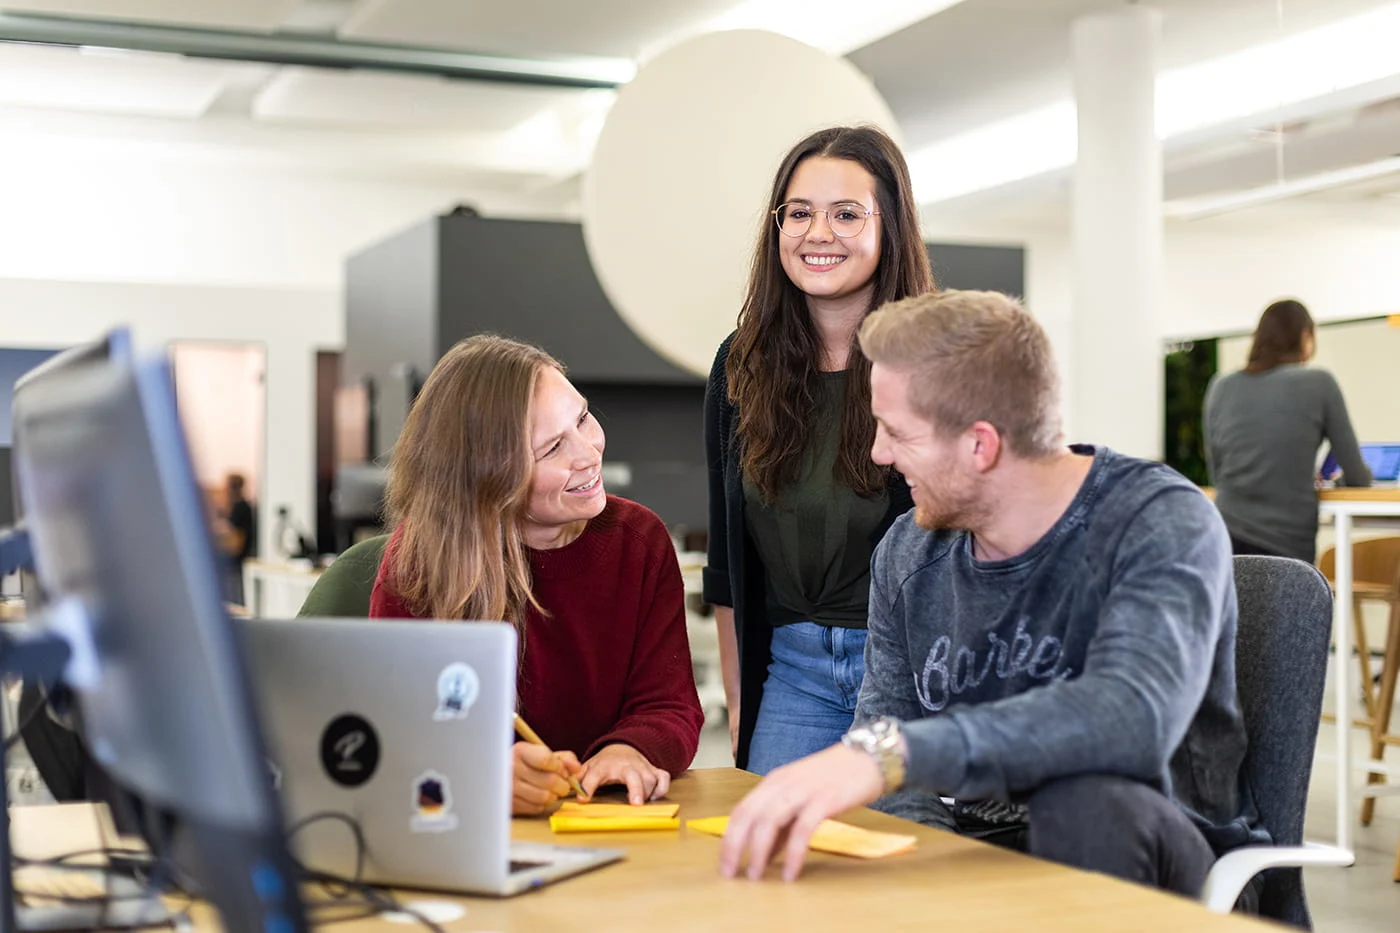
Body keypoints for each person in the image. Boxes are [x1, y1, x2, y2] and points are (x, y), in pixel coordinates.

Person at [719, 290, 1265, 898]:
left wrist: (889, 753)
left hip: (1157, 862)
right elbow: (900, 780)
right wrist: (932, 877)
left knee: (1084, 800)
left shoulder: (1156, 521)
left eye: (897, 432)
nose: (878, 453)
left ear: (981, 445)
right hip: (989, 860)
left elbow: (1129, 720)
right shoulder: (906, 553)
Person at [369, 335, 704, 814]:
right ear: (488, 479)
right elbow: (397, 727)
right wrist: (480, 769)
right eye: (551, 450)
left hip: (605, 823)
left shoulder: (639, 540)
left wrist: (628, 752)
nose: (588, 453)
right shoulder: (421, 562)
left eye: (583, 418)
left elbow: (668, 705)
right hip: (470, 832)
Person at [704, 124, 933, 773]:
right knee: (772, 863)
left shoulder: (935, 357)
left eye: (846, 214)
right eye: (799, 213)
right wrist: (741, 703)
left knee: (901, 867)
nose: (818, 233)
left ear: (890, 226)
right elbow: (727, 563)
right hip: (793, 675)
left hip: (907, 673)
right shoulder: (741, 364)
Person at [1204, 298, 1371, 562]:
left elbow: (1217, 472)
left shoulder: (1220, 386)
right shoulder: (1319, 383)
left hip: (1223, 541)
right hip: (1287, 551)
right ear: (1305, 337)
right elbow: (1358, 477)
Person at [215, 472, 255, 605]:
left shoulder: (241, 508)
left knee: (234, 602)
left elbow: (236, 538)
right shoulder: (238, 507)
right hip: (236, 562)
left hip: (237, 563)